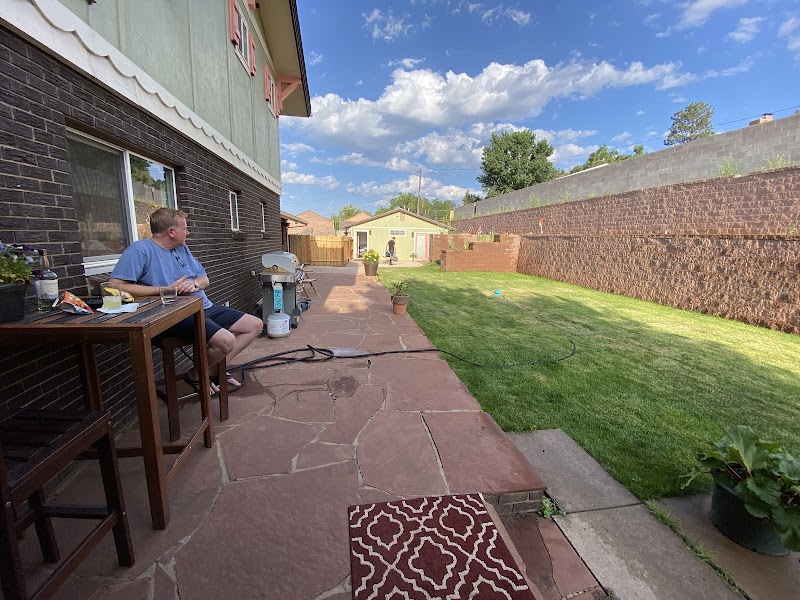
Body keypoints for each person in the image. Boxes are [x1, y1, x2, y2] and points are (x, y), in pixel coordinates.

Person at [108, 208, 262, 393]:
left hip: (204, 307)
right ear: (171, 232)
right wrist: (163, 290)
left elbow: (205, 280)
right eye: (185, 229)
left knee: (255, 324)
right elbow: (115, 286)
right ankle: (199, 374)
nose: (187, 233)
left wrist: (195, 284)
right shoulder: (141, 250)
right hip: (177, 315)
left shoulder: (182, 249)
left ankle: (208, 370)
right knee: (226, 341)